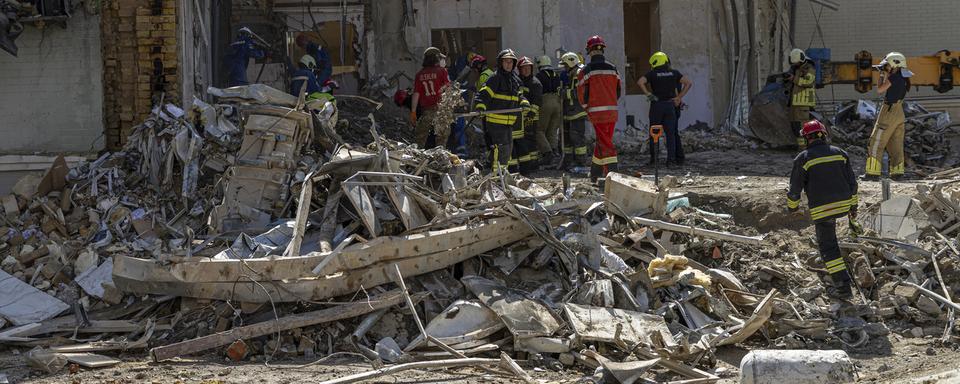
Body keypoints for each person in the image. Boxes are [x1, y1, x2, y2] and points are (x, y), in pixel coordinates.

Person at [787, 120, 859, 300]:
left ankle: (843, 288)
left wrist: (792, 207)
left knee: (829, 249)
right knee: (838, 240)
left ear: (806, 138)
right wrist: (853, 207)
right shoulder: (840, 154)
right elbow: (853, 183)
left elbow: (795, 188)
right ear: (824, 135)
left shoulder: (803, 158)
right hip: (844, 205)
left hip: (823, 209)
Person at [577, 35, 622, 182]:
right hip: (612, 111)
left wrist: (586, 107)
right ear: (602, 49)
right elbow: (618, 91)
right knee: (603, 140)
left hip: (596, 113)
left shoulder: (586, 70)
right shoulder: (613, 68)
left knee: (605, 143)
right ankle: (595, 173)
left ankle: (613, 175)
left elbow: (581, 92)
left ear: (589, 51)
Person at [476, 49, 529, 173]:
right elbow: (483, 94)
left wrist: (524, 102)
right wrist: (480, 106)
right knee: (502, 149)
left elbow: (519, 95)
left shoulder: (514, 79)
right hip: (495, 121)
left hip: (509, 122)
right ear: (500, 63)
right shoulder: (495, 78)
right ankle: (496, 178)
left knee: (508, 149)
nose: (508, 65)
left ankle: (500, 175)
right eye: (506, 62)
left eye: (511, 62)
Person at [638, 51, 691, 167]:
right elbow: (688, 83)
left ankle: (654, 161)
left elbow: (640, 82)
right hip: (670, 106)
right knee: (671, 134)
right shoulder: (674, 73)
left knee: (654, 133)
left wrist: (648, 94)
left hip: (656, 106)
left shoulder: (652, 74)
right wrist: (678, 97)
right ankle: (671, 161)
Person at [865, 52, 912, 181]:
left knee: (876, 141)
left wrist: (881, 75)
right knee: (895, 144)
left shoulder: (893, 78)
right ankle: (897, 173)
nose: (886, 68)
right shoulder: (903, 78)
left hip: (889, 112)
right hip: (899, 112)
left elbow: (880, 90)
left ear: (894, 64)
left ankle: (872, 173)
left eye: (887, 65)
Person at [410, 47, 451, 149]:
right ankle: (441, 160)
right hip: (441, 111)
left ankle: (416, 161)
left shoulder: (419, 74)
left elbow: (416, 94)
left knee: (419, 140)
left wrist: (413, 112)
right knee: (441, 141)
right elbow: (448, 88)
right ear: (436, 58)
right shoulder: (442, 71)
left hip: (426, 111)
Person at [559, 52, 588, 170]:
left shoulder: (578, 73)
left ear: (571, 63)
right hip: (570, 111)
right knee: (567, 138)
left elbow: (578, 93)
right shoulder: (573, 73)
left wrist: (563, 93)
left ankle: (581, 163)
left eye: (566, 65)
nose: (565, 68)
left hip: (577, 111)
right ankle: (568, 162)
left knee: (577, 138)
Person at [517, 56, 543, 174]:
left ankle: (533, 163)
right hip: (520, 116)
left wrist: (532, 113)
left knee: (530, 139)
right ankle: (526, 163)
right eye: (524, 68)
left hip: (531, 116)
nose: (526, 70)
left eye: (528, 68)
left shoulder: (535, 82)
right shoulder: (518, 81)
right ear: (519, 69)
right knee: (522, 139)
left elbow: (538, 100)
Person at [786, 48, 816, 149]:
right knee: (796, 127)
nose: (795, 64)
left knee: (803, 127)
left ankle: (805, 148)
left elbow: (808, 82)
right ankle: (801, 147)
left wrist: (793, 79)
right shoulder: (797, 69)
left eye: (797, 62)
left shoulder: (809, 68)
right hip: (795, 103)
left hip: (803, 103)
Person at [536, 55, 563, 164]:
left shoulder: (539, 75)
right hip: (557, 103)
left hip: (545, 102)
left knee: (538, 130)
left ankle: (547, 153)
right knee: (552, 130)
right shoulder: (556, 74)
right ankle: (555, 152)